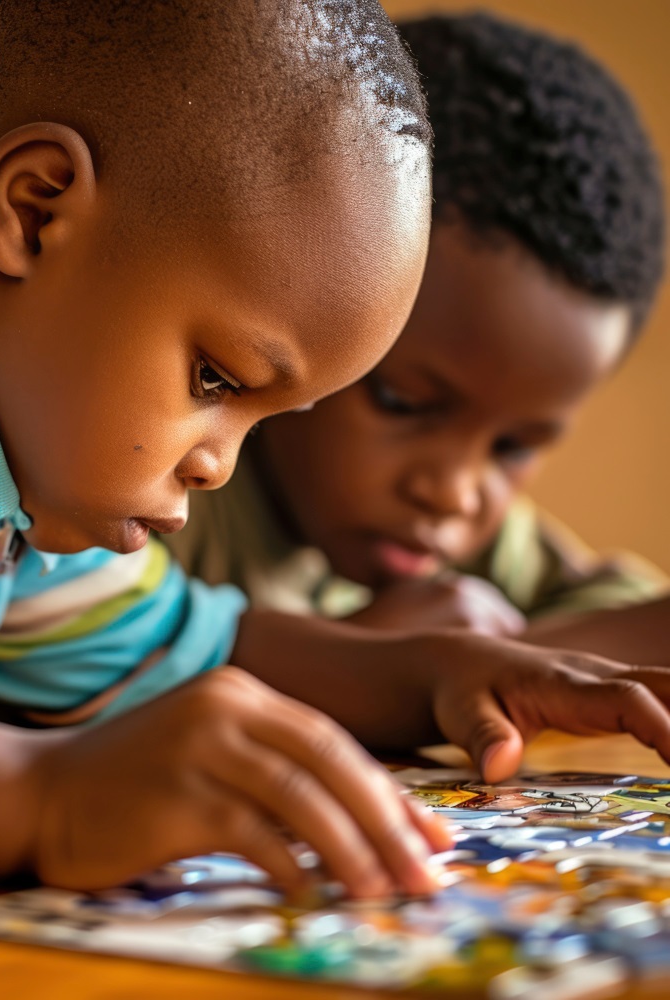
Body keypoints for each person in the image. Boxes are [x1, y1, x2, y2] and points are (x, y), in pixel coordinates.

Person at [0, 1, 669, 902]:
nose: (218, 464)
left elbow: (191, 646)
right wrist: (44, 799)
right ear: (34, 207)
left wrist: (435, 672)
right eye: (216, 383)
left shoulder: (10, 503)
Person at [165, 11, 668, 649]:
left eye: (512, 448)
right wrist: (375, 672)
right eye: (402, 403)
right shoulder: (165, 489)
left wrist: (496, 661)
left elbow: (635, 616)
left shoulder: (455, 535)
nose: (454, 492)